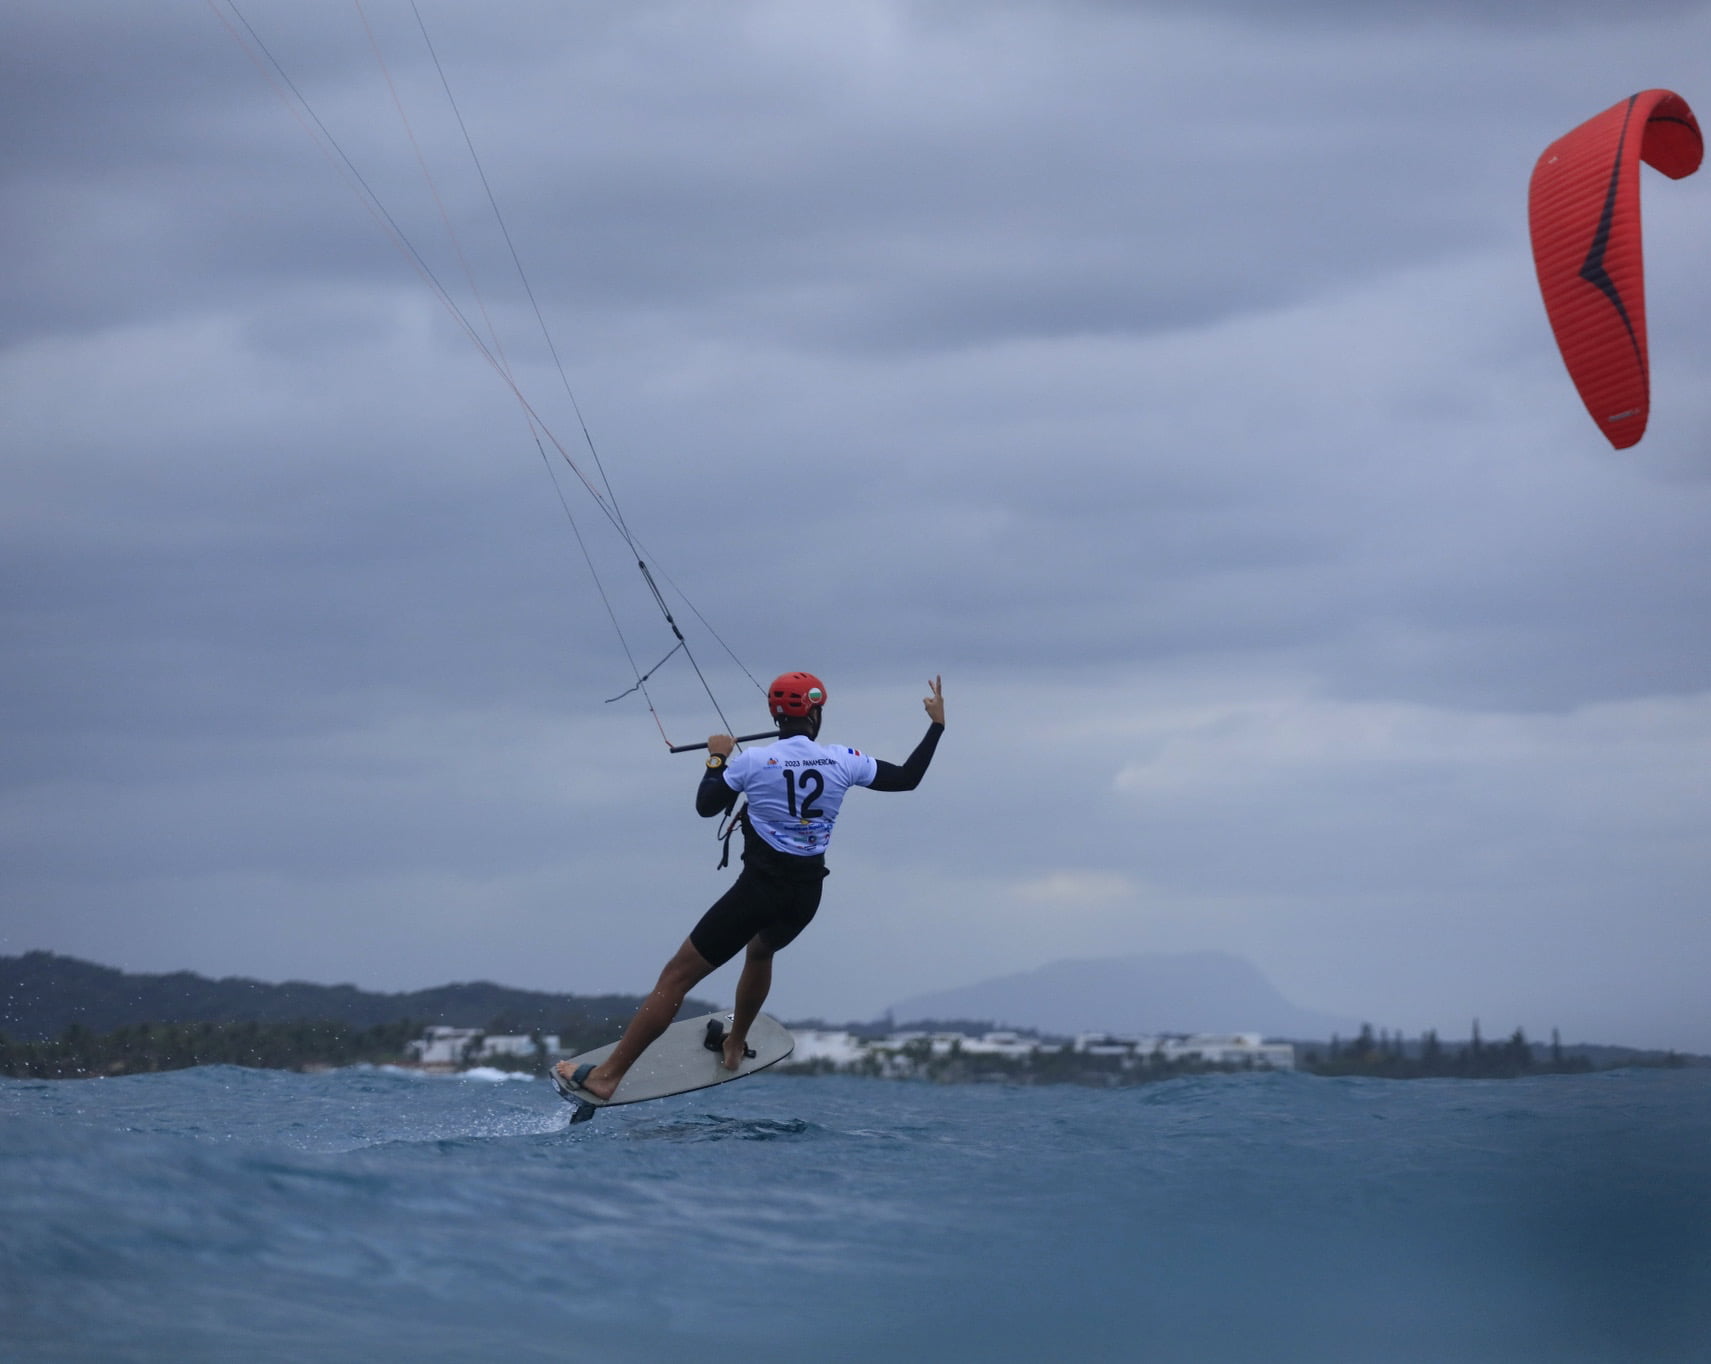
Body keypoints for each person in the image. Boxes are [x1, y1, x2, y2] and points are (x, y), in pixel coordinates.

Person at [555, 672, 945, 1101]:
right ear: (814, 713)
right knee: (761, 950)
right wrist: (936, 726)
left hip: (758, 892)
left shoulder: (754, 761)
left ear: (774, 714)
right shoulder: (843, 759)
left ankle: (606, 1077)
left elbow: (706, 806)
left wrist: (716, 759)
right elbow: (908, 777)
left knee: (676, 978)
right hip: (806, 895)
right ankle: (735, 1044)